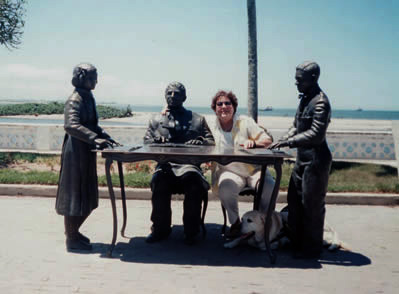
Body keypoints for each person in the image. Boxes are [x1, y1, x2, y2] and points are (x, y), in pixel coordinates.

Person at [269, 61, 332, 259]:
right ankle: (296, 241)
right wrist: (282, 139)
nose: (296, 83)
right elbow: (296, 125)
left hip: (316, 160)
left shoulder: (321, 102)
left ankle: (311, 248)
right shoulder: (305, 99)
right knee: (294, 202)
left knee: (311, 205)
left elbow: (315, 134)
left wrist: (289, 142)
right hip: (302, 159)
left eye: (299, 79)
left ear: (313, 79)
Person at [56, 63, 119, 252]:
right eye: (92, 77)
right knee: (75, 195)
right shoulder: (75, 99)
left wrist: (104, 136)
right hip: (75, 153)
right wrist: (95, 138)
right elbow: (71, 125)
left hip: (86, 152)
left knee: (87, 195)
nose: (96, 81)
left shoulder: (88, 97)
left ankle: (74, 232)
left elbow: (92, 124)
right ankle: (71, 238)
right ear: (82, 78)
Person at [143, 82, 215, 245]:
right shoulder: (155, 120)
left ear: (184, 97)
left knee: (194, 184)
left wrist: (201, 141)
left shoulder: (197, 119)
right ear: (165, 95)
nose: (173, 96)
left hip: (189, 167)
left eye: (177, 93)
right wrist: (155, 141)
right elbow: (146, 142)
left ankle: (191, 231)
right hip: (166, 166)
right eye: (169, 93)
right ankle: (160, 229)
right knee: (159, 182)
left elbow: (211, 142)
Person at [210, 90, 275, 238]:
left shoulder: (245, 122)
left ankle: (262, 222)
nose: (224, 106)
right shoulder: (211, 124)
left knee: (269, 186)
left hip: (254, 170)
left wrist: (255, 142)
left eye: (228, 103)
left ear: (234, 107)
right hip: (230, 171)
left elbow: (268, 140)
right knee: (225, 187)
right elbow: (194, 123)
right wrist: (166, 111)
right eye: (220, 104)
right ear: (215, 108)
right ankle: (235, 224)